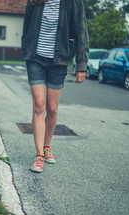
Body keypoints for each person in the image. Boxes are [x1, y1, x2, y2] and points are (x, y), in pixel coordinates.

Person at [22, 0, 89, 172]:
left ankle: (46, 146)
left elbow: (81, 30)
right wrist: (26, 48)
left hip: (59, 60)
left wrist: (81, 64)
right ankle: (38, 156)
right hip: (35, 58)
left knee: (52, 109)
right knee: (39, 106)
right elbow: (27, 24)